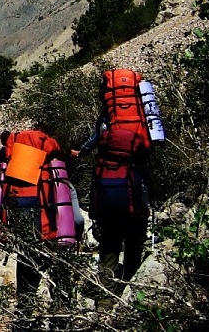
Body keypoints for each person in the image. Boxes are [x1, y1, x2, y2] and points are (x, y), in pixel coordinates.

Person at [72, 69, 154, 290]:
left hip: (108, 187)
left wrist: (81, 152)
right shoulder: (143, 113)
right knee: (135, 242)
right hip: (136, 185)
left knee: (109, 245)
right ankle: (131, 291)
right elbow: (153, 141)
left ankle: (106, 298)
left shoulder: (109, 116)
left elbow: (95, 139)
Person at [0, 129, 76, 318]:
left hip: (24, 236)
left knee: (26, 283)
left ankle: (23, 319)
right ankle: (62, 318)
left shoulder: (13, 165)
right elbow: (71, 211)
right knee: (59, 280)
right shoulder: (53, 166)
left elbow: (2, 201)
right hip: (52, 233)